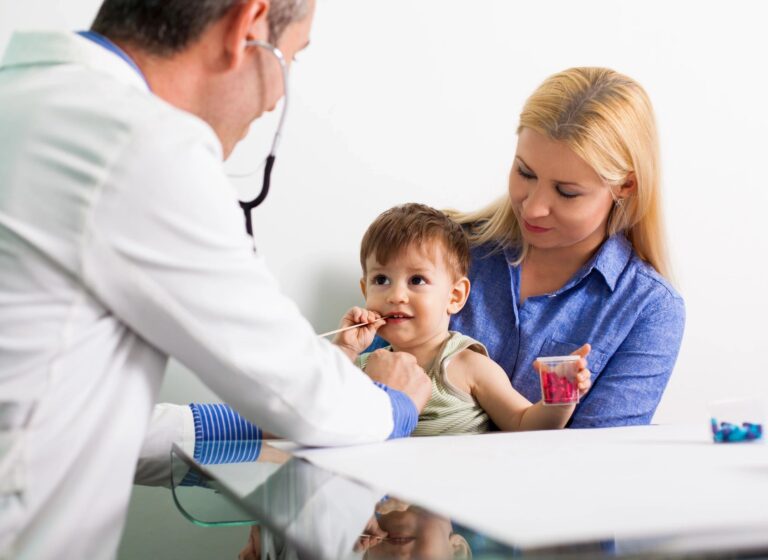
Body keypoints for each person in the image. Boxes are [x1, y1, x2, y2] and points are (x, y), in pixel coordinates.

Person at [0, 1, 430, 557]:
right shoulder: (138, 144)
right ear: (248, 27)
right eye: (291, 57)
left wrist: (249, 426)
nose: (277, 97)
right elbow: (310, 397)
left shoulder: (31, 102)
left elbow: (51, 410)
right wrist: (391, 401)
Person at [445, 67, 686, 428]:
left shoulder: (649, 308)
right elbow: (368, 398)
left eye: (567, 192)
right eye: (525, 173)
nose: (534, 207)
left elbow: (590, 464)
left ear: (626, 186)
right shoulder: (445, 247)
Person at [338, 203, 592, 435]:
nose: (396, 295)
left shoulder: (467, 364)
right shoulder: (364, 368)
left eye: (417, 280)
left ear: (455, 296)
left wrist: (562, 394)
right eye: (381, 280)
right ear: (365, 291)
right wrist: (345, 350)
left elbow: (524, 423)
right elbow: (321, 411)